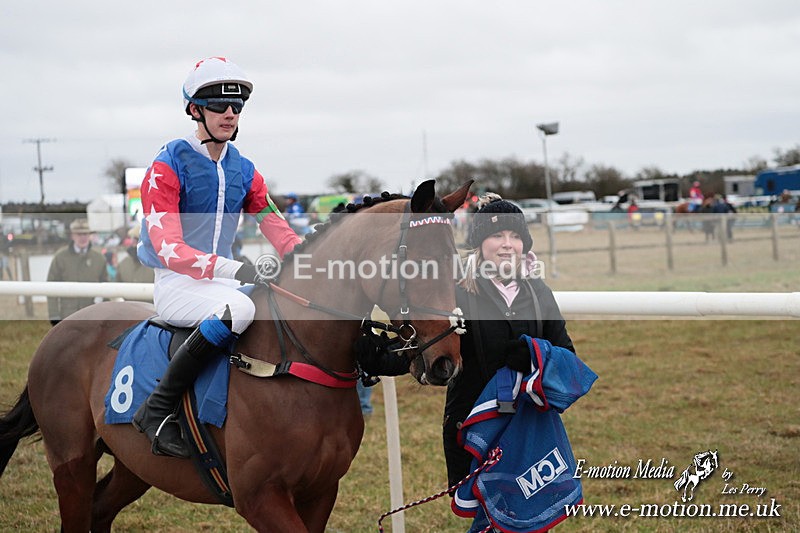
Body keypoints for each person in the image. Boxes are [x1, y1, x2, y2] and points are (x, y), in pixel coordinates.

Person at [133, 56, 302, 458]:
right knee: (242, 309)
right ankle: (157, 409)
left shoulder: (244, 168)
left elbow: (273, 221)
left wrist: (308, 258)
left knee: (275, 306)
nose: (230, 114)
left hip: (220, 283)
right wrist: (233, 267)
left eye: (237, 107)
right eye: (218, 106)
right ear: (195, 110)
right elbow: (169, 249)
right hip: (177, 285)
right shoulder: (167, 163)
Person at [355, 193, 579, 489]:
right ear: (479, 243)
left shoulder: (540, 294)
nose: (507, 244)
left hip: (531, 432)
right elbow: (431, 340)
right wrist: (378, 357)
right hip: (472, 428)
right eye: (497, 235)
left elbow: (569, 360)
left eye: (515, 235)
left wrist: (536, 356)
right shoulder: (458, 291)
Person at [47, 218, 108, 326]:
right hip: (67, 316)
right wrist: (54, 316)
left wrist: (103, 312)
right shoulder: (60, 257)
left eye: (85, 234)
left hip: (92, 316)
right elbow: (51, 288)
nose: (83, 237)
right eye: (79, 234)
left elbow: (107, 288)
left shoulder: (99, 259)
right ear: (72, 236)